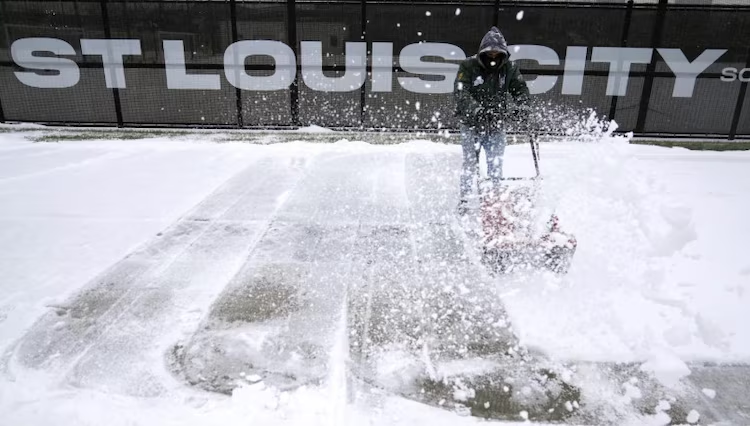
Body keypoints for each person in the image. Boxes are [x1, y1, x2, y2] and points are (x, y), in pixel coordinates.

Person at [453, 26, 531, 216]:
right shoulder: (468, 66)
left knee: (496, 164)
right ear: (483, 53)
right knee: (470, 163)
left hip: (497, 124)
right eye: (490, 54)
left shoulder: (509, 68)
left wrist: (523, 107)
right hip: (471, 125)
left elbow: (520, 90)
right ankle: (465, 200)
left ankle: (494, 199)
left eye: (497, 54)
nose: (494, 57)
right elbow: (461, 93)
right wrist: (477, 111)